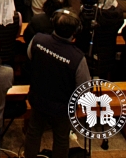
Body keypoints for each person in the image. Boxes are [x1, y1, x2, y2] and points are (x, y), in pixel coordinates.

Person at [24, 11, 90, 158]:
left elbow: (30, 58)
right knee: (61, 139)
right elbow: (84, 88)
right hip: (62, 107)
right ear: (75, 31)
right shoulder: (77, 58)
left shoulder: (38, 40)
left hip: (38, 98)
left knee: (33, 132)